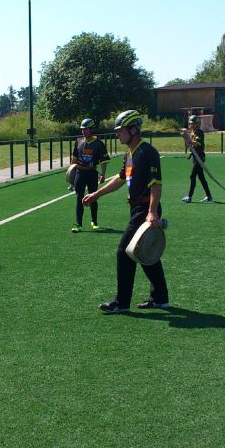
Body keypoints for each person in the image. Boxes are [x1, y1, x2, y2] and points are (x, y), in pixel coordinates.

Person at [83, 110, 170, 313]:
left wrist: (152, 212)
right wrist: (96, 194)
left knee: (124, 252)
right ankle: (160, 298)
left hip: (145, 209)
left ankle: (121, 303)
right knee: (144, 252)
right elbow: (120, 179)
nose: (117, 134)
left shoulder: (147, 152)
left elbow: (156, 184)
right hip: (137, 209)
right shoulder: (129, 154)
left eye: (120, 130)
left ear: (133, 130)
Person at [69, 118, 109, 232]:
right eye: (82, 129)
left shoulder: (98, 144)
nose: (83, 131)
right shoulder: (78, 141)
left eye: (86, 129)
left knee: (93, 197)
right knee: (79, 198)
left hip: (92, 173)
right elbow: (74, 158)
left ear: (91, 129)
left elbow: (104, 161)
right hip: (80, 173)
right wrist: (71, 173)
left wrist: (103, 174)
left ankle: (94, 222)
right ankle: (78, 224)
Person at [181, 114, 212, 203]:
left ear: (197, 124)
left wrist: (187, 137)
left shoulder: (199, 133)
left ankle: (189, 197)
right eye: (190, 123)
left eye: (193, 123)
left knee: (192, 176)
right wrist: (185, 137)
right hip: (195, 157)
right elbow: (187, 146)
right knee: (201, 177)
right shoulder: (192, 132)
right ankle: (209, 196)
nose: (191, 125)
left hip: (199, 157)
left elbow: (196, 143)